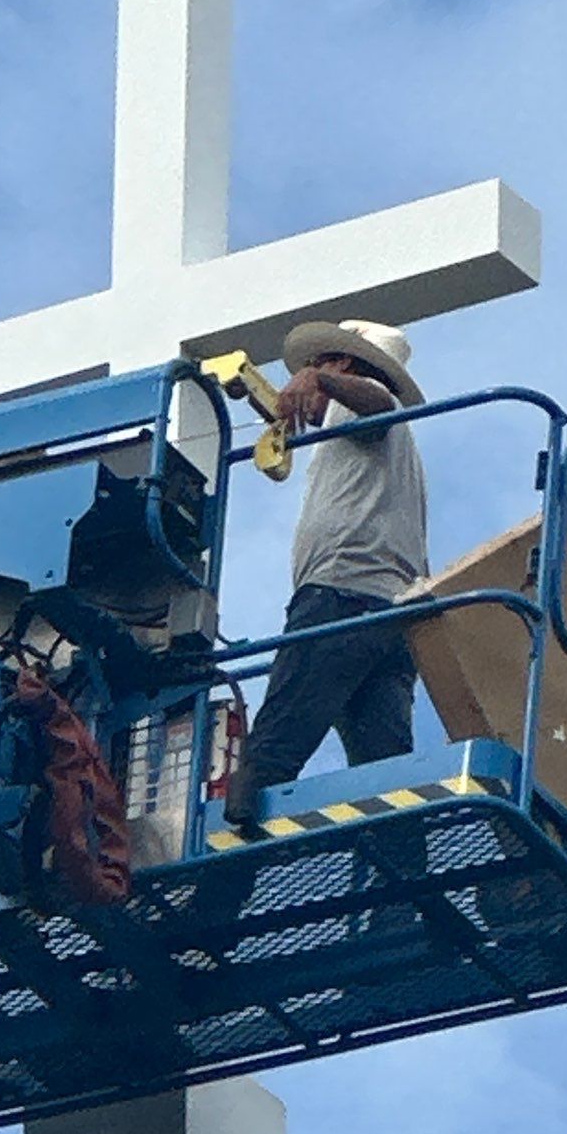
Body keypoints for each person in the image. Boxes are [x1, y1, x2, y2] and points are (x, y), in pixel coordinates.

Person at [224, 319, 428, 832]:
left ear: (339, 364)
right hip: (393, 621)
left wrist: (320, 382)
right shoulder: (364, 442)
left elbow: (378, 405)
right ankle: (400, 904)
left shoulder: (372, 402)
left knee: (267, 759)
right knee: (387, 785)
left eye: (313, 370)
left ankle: (219, 887)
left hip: (341, 599)